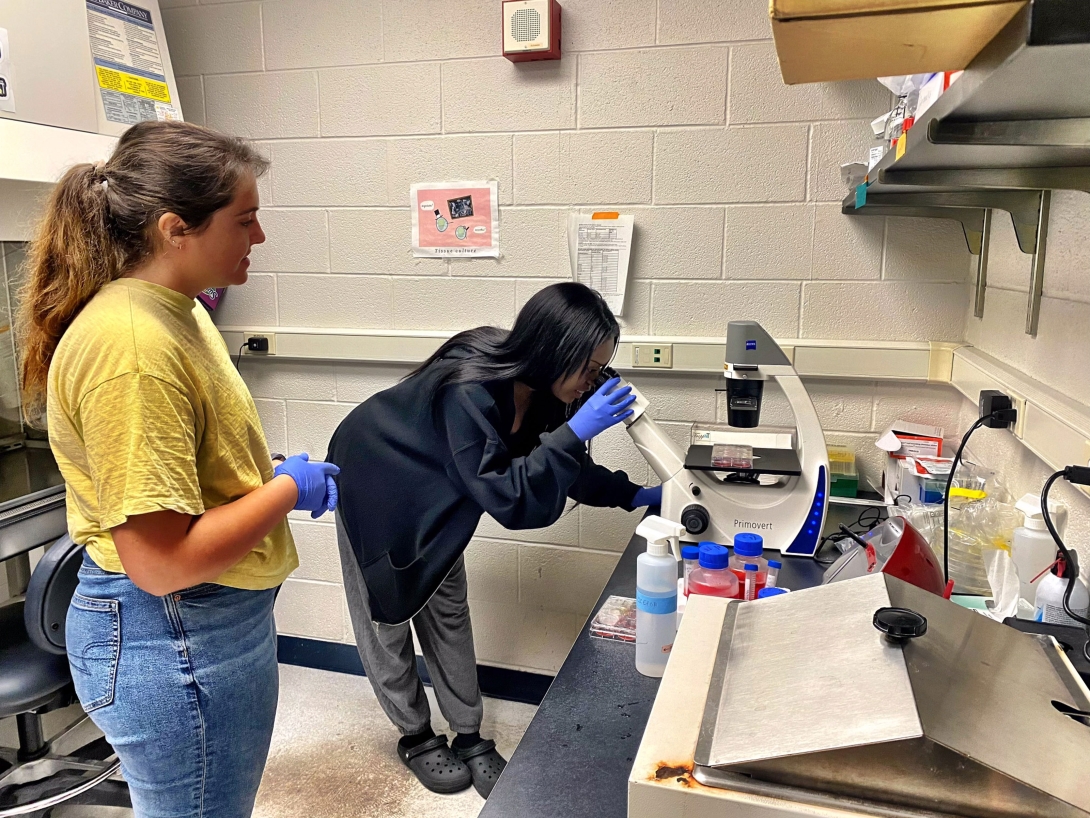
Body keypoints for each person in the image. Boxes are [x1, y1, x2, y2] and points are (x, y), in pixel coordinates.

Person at [17, 120, 339, 818]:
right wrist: (284, 491)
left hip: (203, 623)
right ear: (174, 229)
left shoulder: (175, 312)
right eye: (245, 220)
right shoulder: (133, 344)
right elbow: (160, 562)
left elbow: (188, 472)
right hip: (174, 631)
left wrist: (267, 475)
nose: (259, 237)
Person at [327, 282, 661, 798]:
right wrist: (572, 435)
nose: (593, 383)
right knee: (386, 621)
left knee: (449, 613)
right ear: (554, 350)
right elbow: (508, 498)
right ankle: (415, 736)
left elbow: (563, 469)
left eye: (601, 370)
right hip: (375, 484)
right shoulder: (468, 389)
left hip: (439, 497)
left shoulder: (548, 397)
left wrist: (637, 495)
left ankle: (469, 736)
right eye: (589, 370)